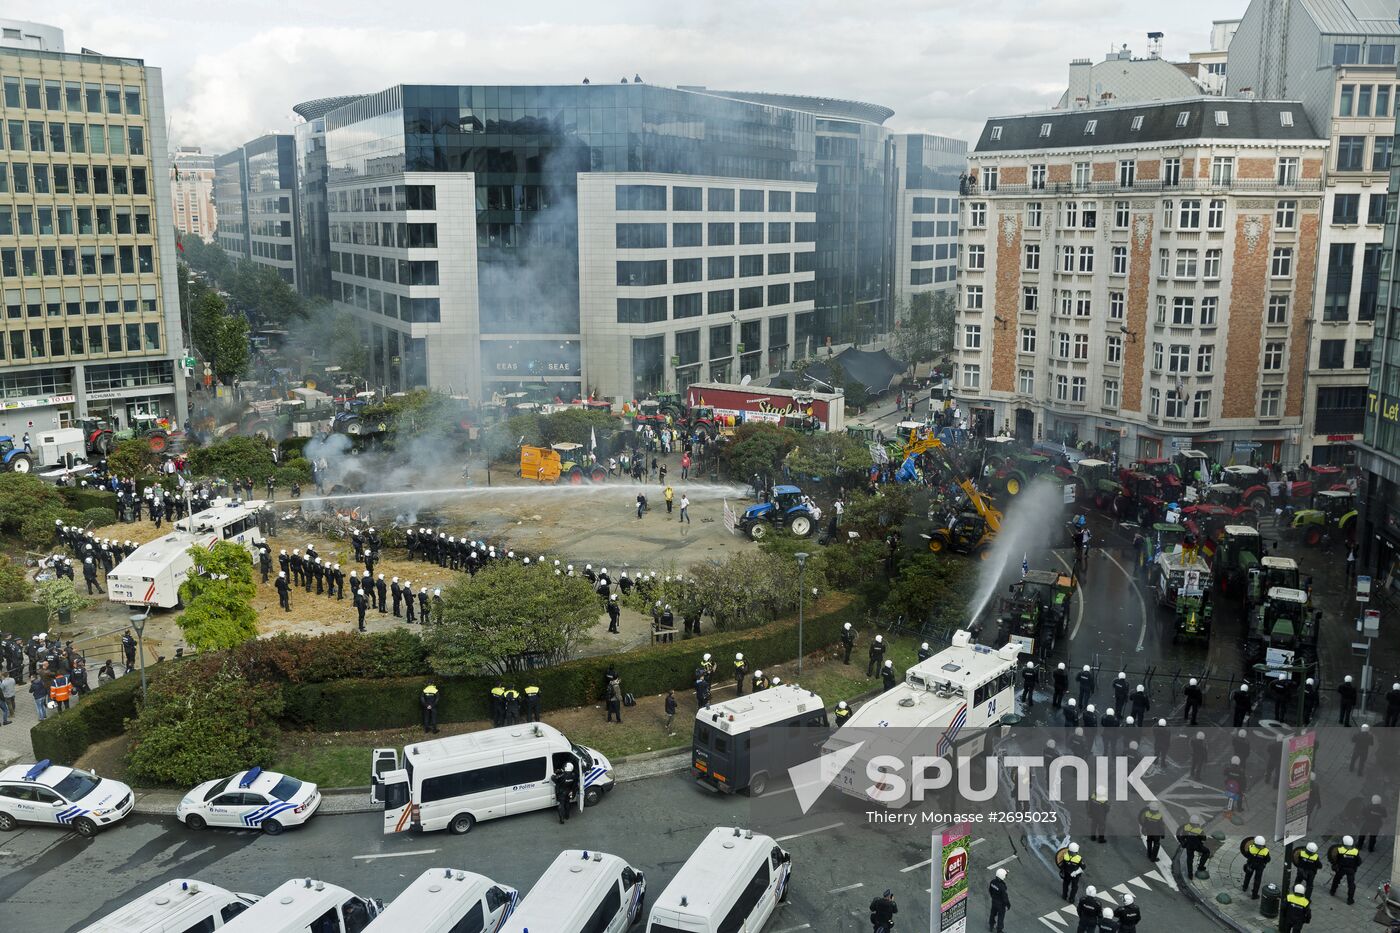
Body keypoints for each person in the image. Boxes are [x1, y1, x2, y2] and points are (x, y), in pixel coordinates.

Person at [1329, 836, 1361, 903]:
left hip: (1341, 869)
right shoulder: (1355, 851)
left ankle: (1332, 891)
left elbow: (1336, 859)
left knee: (1336, 880)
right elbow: (1359, 862)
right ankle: (1350, 900)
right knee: (1351, 885)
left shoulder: (1340, 850)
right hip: (1351, 870)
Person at [987, 868, 1010, 933]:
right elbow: (1005, 897)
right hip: (1001, 905)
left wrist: (993, 897)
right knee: (1001, 917)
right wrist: (1008, 905)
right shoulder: (1002, 886)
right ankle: (999, 930)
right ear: (1002, 876)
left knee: (992, 914)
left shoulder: (992, 882)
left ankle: (991, 925)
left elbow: (990, 891)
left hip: (994, 902)